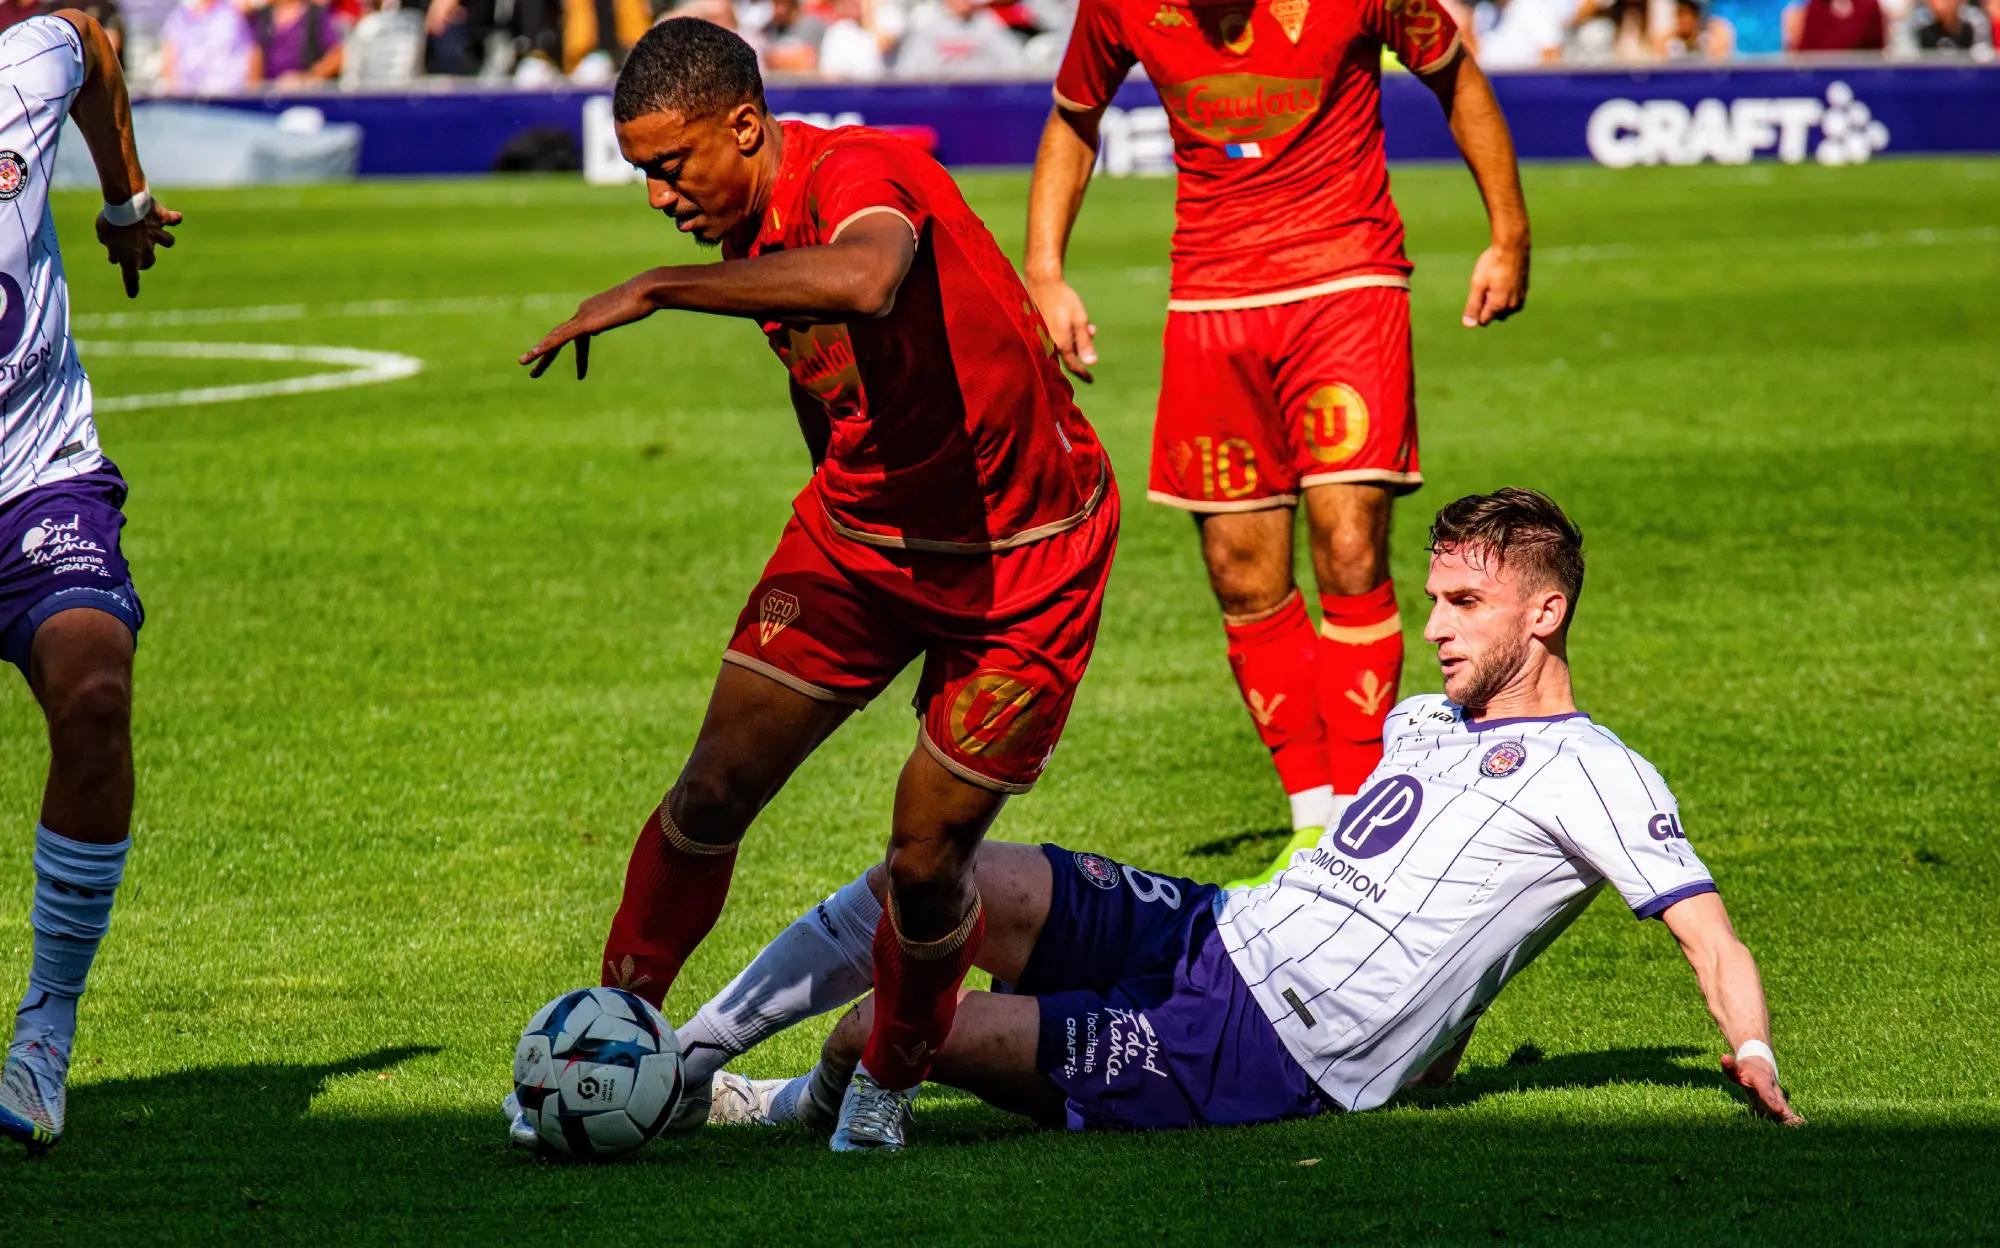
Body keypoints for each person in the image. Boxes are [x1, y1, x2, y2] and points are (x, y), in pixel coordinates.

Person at [649, 489, 1803, 1140]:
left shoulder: (1593, 772)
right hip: (1212, 929)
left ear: (1544, 613)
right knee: (951, 878)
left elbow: (1707, 934)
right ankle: (688, 1056)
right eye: (1432, 599)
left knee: (890, 1035)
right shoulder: (1421, 719)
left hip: (1261, 1046)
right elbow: (1428, 909)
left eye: (1466, 604)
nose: (1437, 626)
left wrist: (1746, 1048)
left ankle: (777, 1105)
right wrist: (1442, 1041)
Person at [514, 18, 1117, 1152]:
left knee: (926, 861)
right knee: (707, 795)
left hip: (1026, 564)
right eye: (641, 174)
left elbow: (871, 277)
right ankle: (615, 1043)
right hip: (857, 542)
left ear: (745, 125)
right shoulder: (750, 220)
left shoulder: (859, 173)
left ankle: (885, 1079)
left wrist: (658, 287)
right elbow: (829, 383)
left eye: (670, 165)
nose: (657, 195)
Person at [1025, 0, 1529, 889]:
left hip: (1348, 282)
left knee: (1348, 546)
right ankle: (1312, 822)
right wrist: (1046, 272)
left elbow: (1455, 74)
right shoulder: (1119, 8)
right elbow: (1075, 117)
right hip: (1210, 305)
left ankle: (1367, 806)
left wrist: (1509, 232)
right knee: (1241, 569)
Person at [0, 8, 181, 1150]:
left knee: (96, 691)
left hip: (35, 475)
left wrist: (122, 199)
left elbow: (94, 44)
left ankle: (43, 1035)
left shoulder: (25, 62)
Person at [892, 0, 1026, 75]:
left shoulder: (988, 24)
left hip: (982, 98)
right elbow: (908, 71)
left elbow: (1014, 63)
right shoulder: (929, 26)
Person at [158, 0, 259, 93]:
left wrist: (251, 94)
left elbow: (253, 54)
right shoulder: (178, 18)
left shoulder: (232, 13)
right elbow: (169, 61)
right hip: (189, 101)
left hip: (230, 100)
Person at [251, 0, 344, 83]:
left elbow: (337, 56)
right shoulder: (264, 15)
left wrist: (307, 78)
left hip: (305, 97)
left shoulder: (315, 14)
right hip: (270, 95)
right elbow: (256, 59)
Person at [1784, 0, 1885, 48]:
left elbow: (1877, 52)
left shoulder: (1869, 6)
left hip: (1862, 80)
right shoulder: (1816, 7)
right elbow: (1806, 52)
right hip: (1822, 79)